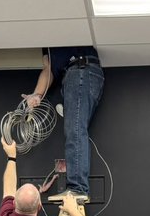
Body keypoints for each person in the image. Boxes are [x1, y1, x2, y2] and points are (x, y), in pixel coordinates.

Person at [23, 46, 104, 200]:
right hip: (77, 75)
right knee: (76, 130)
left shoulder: (60, 31)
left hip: (80, 70)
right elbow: (48, 69)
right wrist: (37, 94)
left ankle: (77, 188)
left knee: (75, 130)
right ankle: (77, 188)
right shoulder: (47, 47)